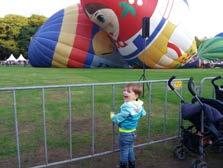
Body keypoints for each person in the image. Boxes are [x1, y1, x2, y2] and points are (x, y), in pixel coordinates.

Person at [110, 83, 146, 168]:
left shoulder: (127, 107)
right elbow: (143, 113)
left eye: (128, 91)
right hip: (133, 132)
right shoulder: (138, 105)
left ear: (136, 96)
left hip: (125, 134)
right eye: (124, 90)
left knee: (124, 151)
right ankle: (132, 164)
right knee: (130, 149)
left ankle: (123, 165)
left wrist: (112, 115)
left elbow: (118, 118)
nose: (125, 92)